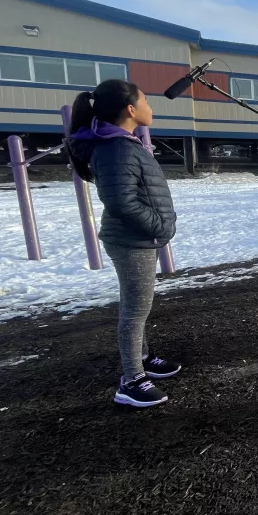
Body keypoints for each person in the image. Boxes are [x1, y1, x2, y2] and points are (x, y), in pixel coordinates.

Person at [67, 79, 180, 408]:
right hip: (134, 240)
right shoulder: (115, 147)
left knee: (138, 306)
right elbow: (121, 202)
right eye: (145, 100)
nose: (150, 107)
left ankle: (142, 359)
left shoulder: (120, 143)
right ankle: (131, 380)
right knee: (136, 310)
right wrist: (159, 227)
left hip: (138, 237)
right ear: (131, 109)